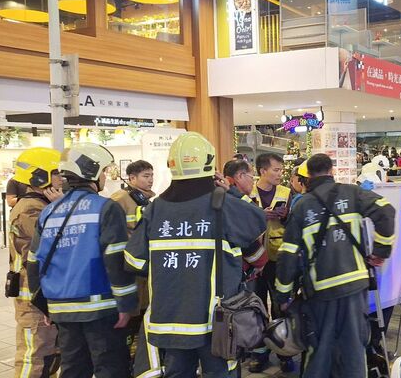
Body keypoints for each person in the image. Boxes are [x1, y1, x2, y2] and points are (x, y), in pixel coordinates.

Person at [124, 132, 267, 377]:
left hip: (169, 320)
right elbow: (258, 256)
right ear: (210, 165)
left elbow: (134, 261)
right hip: (217, 323)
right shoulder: (226, 205)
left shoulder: (153, 209)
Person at [274, 153, 396, 377]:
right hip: (355, 287)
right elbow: (387, 211)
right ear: (332, 171)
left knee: (319, 349)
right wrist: (381, 252)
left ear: (308, 175)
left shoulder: (302, 206)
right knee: (353, 348)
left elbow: (287, 255)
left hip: (321, 292)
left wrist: (283, 296)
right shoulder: (352, 193)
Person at [27, 143, 137, 378]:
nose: (105, 177)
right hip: (100, 308)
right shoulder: (106, 208)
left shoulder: (49, 211)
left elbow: (34, 262)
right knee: (111, 368)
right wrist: (126, 304)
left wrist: (46, 306)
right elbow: (115, 260)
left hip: (62, 307)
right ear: (92, 172)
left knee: (74, 369)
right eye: (104, 172)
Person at [8, 147, 64, 378]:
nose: (62, 177)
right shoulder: (32, 209)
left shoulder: (41, 206)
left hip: (40, 296)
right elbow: (49, 249)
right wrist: (61, 209)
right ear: (40, 177)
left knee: (49, 356)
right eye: (56, 172)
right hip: (34, 299)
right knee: (35, 357)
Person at [109, 160, 160, 378]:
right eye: (145, 176)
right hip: (128, 272)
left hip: (146, 272)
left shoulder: (151, 200)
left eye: (151, 175)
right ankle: (127, 363)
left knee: (143, 319)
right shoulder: (119, 200)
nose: (150, 179)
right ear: (131, 179)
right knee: (130, 319)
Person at [249, 152, 293, 372]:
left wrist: (284, 216)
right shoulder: (249, 192)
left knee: (281, 306)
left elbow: (293, 222)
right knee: (255, 307)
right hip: (253, 259)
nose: (279, 174)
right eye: (276, 170)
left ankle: (285, 351)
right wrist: (259, 215)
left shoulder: (286, 192)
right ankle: (259, 352)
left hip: (278, 257)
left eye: (281, 170)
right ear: (262, 171)